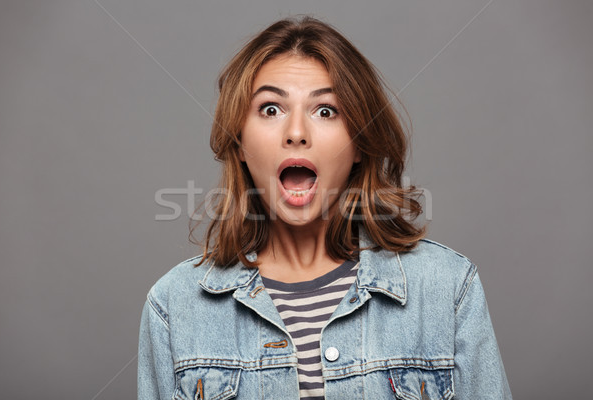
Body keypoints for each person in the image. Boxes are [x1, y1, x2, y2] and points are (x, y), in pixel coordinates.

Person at [138, 16, 512, 400]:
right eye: (270, 109)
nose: (296, 132)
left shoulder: (447, 289)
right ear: (238, 143)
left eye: (326, 110)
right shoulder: (173, 306)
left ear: (359, 144)